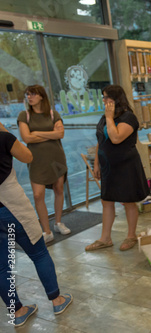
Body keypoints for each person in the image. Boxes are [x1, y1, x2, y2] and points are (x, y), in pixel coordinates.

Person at [0, 122, 73, 327]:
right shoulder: (4, 138)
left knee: (1, 266)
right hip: (12, 206)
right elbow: (27, 156)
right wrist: (3, 130)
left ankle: (18, 311)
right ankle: (57, 300)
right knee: (39, 253)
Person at [85, 85, 149, 252]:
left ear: (116, 99)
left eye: (107, 97)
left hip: (126, 165)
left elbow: (116, 138)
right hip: (108, 166)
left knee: (128, 201)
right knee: (106, 200)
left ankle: (131, 235)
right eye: (103, 97)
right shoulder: (104, 117)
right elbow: (101, 141)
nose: (104, 101)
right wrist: (97, 164)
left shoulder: (129, 117)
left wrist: (109, 117)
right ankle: (105, 238)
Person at [17, 85, 71, 243]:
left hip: (56, 158)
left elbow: (60, 133)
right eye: (27, 94)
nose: (29, 97)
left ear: (41, 96)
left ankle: (58, 222)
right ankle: (46, 230)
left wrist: (37, 133)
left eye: (33, 94)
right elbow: (26, 138)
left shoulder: (53, 114)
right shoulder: (24, 115)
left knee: (59, 188)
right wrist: (51, 134)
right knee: (38, 194)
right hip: (36, 161)